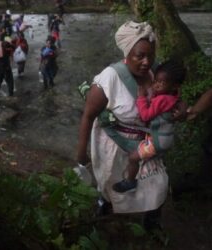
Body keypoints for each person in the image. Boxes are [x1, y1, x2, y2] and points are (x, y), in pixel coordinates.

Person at [76, 20, 180, 230]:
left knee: (158, 183)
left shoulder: (154, 75)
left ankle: (152, 222)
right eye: (139, 56)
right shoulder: (110, 78)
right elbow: (88, 116)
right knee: (110, 184)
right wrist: (80, 154)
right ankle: (104, 205)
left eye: (150, 55)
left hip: (145, 142)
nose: (146, 61)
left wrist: (178, 109)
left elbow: (170, 98)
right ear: (127, 53)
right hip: (114, 144)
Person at [112, 60, 186, 193]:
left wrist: (141, 98)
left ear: (174, 86)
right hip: (165, 138)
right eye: (156, 81)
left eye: (161, 83)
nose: (156, 85)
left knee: (133, 158)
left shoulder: (162, 100)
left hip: (158, 141)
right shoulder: (172, 96)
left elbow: (145, 116)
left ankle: (130, 182)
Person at [0, 31, 15, 96]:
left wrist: (9, 44)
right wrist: (0, 45)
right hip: (2, 68)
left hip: (4, 67)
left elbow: (12, 53)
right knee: (9, 82)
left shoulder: (5, 48)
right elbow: (1, 55)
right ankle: (10, 95)